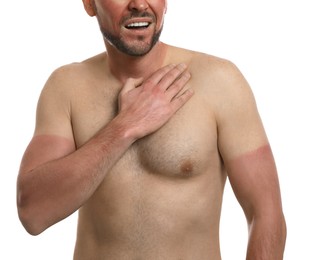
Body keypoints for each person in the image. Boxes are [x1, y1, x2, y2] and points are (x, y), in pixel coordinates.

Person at [17, 0, 286, 259]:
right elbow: (33, 213)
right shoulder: (67, 88)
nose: (140, 4)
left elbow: (265, 213)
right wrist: (126, 126)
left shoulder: (220, 82)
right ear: (89, 4)